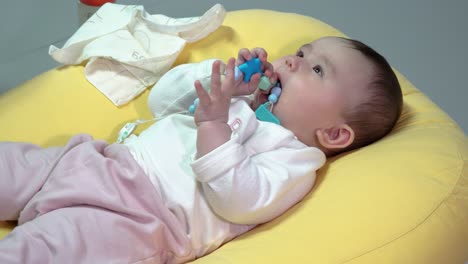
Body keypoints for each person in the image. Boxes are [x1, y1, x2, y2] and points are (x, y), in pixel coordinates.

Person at [0, 36, 402, 263]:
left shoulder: (295, 160)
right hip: (96, 162)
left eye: (317, 69)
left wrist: (214, 123)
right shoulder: (244, 101)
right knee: (14, 166)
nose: (293, 62)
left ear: (333, 135)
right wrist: (216, 84)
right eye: (301, 53)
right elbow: (162, 103)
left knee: (47, 249)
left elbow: (239, 201)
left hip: (135, 219)